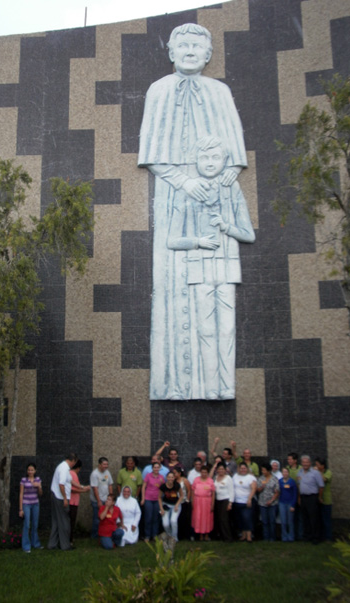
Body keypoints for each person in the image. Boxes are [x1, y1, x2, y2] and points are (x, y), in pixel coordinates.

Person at [138, 23, 249, 401]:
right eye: (181, 45)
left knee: (216, 303)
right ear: (170, 52)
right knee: (172, 288)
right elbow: (152, 157)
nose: (188, 51)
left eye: (196, 46)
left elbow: (235, 159)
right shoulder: (158, 91)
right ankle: (173, 382)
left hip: (215, 205)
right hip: (174, 200)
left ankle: (216, 384)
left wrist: (218, 189)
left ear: (208, 54)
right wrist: (186, 183)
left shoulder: (221, 92)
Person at [48, 453, 77, 551]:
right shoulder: (64, 469)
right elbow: (61, 484)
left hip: (56, 496)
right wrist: (65, 498)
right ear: (73, 461)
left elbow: (70, 481)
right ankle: (65, 545)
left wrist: (82, 487)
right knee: (65, 522)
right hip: (60, 498)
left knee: (56, 521)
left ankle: (52, 544)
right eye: (75, 462)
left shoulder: (63, 467)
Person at [297, 455, 324, 545]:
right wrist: (299, 497)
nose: (305, 464)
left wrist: (319, 497)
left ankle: (316, 537)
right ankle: (307, 536)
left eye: (307, 462)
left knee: (314, 518)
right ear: (301, 463)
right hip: (303, 497)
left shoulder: (315, 473)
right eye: (303, 462)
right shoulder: (300, 472)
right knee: (305, 518)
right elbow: (299, 485)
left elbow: (321, 486)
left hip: (312, 497)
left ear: (310, 463)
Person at [19, 463, 43, 553]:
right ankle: (26, 546)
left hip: (35, 504)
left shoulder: (37, 479)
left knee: (35, 524)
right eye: (29, 470)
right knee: (27, 525)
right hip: (26, 504)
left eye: (32, 470)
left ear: (35, 471)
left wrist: (39, 486)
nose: (30, 471)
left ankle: (35, 543)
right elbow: (21, 494)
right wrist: (20, 509)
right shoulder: (23, 480)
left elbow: (40, 494)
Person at [141, 461, 166, 542]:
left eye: (157, 467)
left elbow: (163, 488)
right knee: (148, 517)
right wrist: (143, 498)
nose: (156, 469)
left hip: (157, 500)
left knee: (155, 518)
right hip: (148, 499)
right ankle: (147, 535)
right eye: (154, 467)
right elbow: (143, 487)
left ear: (159, 468)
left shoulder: (161, 477)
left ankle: (155, 535)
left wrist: (162, 482)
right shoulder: (148, 476)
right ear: (152, 468)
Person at [89, 457, 113, 539]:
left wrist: (111, 498)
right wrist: (98, 501)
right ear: (99, 465)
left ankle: (104, 534)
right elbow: (94, 488)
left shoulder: (107, 472)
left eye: (107, 464)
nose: (106, 466)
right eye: (104, 464)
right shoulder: (94, 474)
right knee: (97, 519)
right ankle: (95, 535)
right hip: (97, 500)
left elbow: (110, 485)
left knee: (106, 518)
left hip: (106, 499)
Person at [232, 463, 257, 542]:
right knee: (240, 519)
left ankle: (249, 536)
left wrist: (249, 499)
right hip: (237, 501)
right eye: (241, 468)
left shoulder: (251, 477)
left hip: (247, 501)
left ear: (247, 469)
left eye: (244, 468)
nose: (243, 470)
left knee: (247, 518)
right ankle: (243, 535)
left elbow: (253, 489)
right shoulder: (235, 476)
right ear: (238, 469)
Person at [69, 459, 90, 546]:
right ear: (78, 468)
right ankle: (69, 540)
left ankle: (70, 538)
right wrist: (85, 490)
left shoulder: (70, 473)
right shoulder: (73, 474)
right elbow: (73, 489)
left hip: (73, 501)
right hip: (72, 502)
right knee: (71, 521)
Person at [256, 463, 280, 542]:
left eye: (264, 470)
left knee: (272, 521)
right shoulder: (261, 478)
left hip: (272, 503)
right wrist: (261, 487)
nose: (263, 472)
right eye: (262, 470)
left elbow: (277, 491)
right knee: (264, 521)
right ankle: (266, 537)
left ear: (269, 471)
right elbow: (258, 490)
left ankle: (272, 537)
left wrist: (272, 500)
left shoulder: (274, 479)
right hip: (262, 503)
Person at [191, 465, 215, 541]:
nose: (204, 474)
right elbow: (192, 491)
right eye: (202, 472)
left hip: (207, 502)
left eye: (205, 472)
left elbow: (213, 493)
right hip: (197, 501)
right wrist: (192, 501)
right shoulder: (196, 480)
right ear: (200, 472)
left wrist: (212, 504)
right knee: (199, 517)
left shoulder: (210, 481)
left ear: (207, 473)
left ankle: (207, 535)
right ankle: (200, 535)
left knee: (207, 518)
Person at [213, 461, 234, 542]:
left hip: (225, 500)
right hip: (218, 500)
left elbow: (231, 491)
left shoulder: (228, 478)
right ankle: (221, 536)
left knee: (224, 519)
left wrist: (230, 503)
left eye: (222, 469)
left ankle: (228, 537)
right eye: (219, 469)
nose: (221, 471)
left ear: (225, 470)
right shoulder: (215, 477)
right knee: (219, 519)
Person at [159, 471, 182, 541]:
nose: (171, 479)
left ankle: (174, 538)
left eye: (172, 477)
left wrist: (177, 505)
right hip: (166, 505)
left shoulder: (177, 485)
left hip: (175, 505)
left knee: (173, 521)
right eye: (169, 477)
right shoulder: (163, 486)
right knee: (165, 523)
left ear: (174, 478)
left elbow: (181, 496)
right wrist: (161, 509)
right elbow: (159, 497)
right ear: (167, 478)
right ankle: (169, 535)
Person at [315, 457, 332, 541]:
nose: (316, 466)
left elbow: (323, 480)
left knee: (326, 520)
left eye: (317, 465)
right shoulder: (317, 472)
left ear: (323, 466)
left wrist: (318, 472)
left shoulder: (328, 473)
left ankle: (328, 537)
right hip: (318, 499)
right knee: (319, 519)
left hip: (326, 500)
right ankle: (321, 536)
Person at [172, 466, 192, 540]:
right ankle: (179, 535)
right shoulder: (173, 481)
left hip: (184, 502)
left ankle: (186, 536)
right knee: (177, 519)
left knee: (185, 519)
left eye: (175, 473)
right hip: (175, 503)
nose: (174, 475)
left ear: (179, 473)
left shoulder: (185, 480)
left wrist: (187, 499)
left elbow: (189, 490)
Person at [278, 467, 297, 542]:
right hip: (282, 503)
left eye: (286, 472)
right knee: (283, 521)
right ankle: (284, 537)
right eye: (283, 472)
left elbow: (295, 494)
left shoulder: (292, 482)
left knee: (290, 521)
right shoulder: (279, 481)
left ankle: (291, 536)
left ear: (288, 473)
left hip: (290, 503)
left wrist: (293, 505)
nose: (285, 473)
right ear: (282, 473)